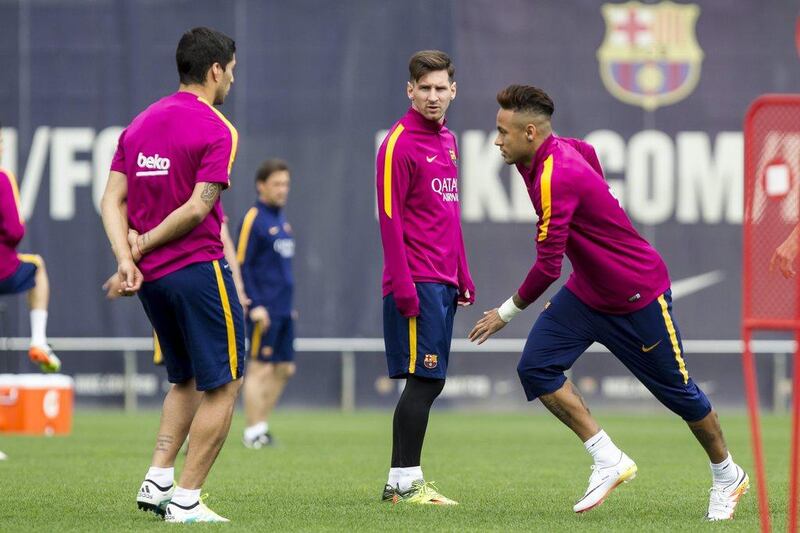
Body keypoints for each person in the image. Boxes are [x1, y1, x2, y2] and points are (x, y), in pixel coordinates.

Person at [468, 85, 748, 521]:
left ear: (529, 132)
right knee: (536, 367)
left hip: (637, 295)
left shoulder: (554, 175)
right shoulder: (552, 152)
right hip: (589, 293)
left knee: (681, 396)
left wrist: (505, 314)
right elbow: (590, 153)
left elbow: (546, 268)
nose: (496, 140)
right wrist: (598, 239)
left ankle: (728, 474)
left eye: (503, 132)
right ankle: (608, 459)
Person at [100, 27, 244, 523]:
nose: (231, 81)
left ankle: (158, 477)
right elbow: (197, 208)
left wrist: (127, 257)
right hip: (198, 270)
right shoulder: (219, 127)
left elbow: (110, 200)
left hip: (152, 282)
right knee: (224, 385)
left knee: (184, 378)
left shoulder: (139, 124)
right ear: (215, 70)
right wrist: (142, 243)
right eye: (231, 71)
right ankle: (185, 499)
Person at [376, 50, 474, 505]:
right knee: (426, 380)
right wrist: (402, 285)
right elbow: (390, 219)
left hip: (443, 281)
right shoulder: (398, 143)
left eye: (441, 88)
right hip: (415, 281)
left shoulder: (449, 141)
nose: (433, 97)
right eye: (425, 88)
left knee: (426, 380)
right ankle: (406, 482)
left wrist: (463, 272)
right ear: (409, 90)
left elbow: (448, 215)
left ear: (453, 91)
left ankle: (400, 483)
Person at [236, 159, 296, 448]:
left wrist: (289, 304)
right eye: (276, 183)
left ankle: (262, 425)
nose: (282, 189)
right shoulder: (254, 218)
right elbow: (242, 264)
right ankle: (252, 432)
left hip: (284, 309)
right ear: (261, 185)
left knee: (284, 368)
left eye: (285, 183)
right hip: (264, 310)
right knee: (260, 368)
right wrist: (255, 304)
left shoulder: (281, 219)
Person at [0, 121, 60, 373]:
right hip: (3, 268)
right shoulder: (3, 178)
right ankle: (38, 341)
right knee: (37, 267)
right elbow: (15, 230)